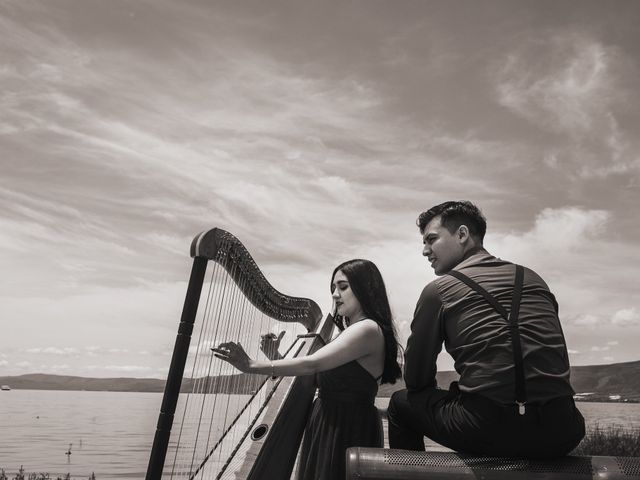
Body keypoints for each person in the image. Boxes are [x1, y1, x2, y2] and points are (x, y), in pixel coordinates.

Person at [387, 200, 585, 458]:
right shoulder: (534, 278)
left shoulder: (439, 290)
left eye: (431, 239)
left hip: (488, 429)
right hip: (562, 429)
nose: (425, 250)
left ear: (462, 234)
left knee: (401, 404)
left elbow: (416, 379)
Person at [213, 259, 402, 479]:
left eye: (343, 287)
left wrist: (252, 365)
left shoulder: (367, 329)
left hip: (346, 427)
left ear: (366, 289)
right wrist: (275, 356)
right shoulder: (349, 332)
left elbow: (312, 363)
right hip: (329, 422)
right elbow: (315, 378)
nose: (334, 294)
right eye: (333, 288)